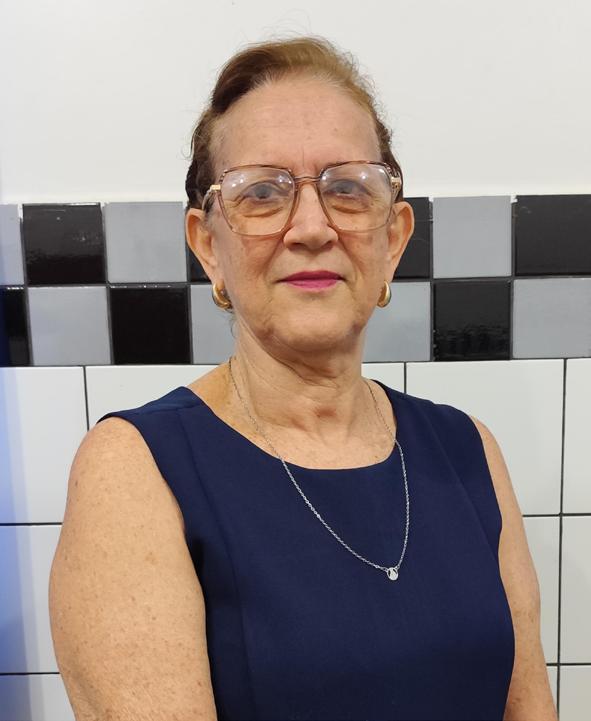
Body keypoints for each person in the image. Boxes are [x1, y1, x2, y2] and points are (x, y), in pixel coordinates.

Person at [49, 35, 558, 721]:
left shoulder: (468, 452)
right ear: (208, 244)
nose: (312, 227)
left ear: (392, 238)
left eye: (347, 188)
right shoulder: (134, 470)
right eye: (262, 193)